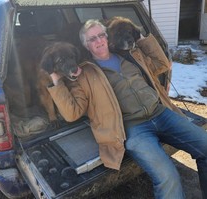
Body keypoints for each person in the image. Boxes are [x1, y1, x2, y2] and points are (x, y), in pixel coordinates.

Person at [47, 19, 207, 199]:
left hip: (160, 113)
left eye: (101, 35)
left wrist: (141, 38)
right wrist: (56, 80)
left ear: (107, 38)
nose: (99, 41)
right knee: (168, 176)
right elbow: (72, 113)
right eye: (92, 39)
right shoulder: (85, 74)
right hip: (132, 128)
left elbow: (163, 65)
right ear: (85, 45)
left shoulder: (131, 55)